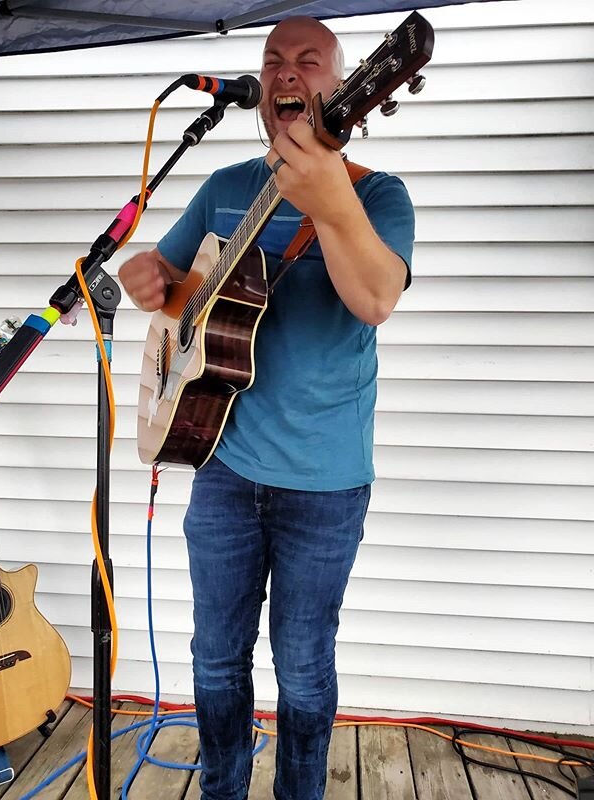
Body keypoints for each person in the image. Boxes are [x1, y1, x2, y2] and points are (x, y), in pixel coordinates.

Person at [119, 15, 414, 800]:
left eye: (308, 61)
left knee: (304, 664)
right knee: (214, 658)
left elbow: (376, 297)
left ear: (346, 85)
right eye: (273, 60)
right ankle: (221, 789)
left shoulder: (379, 196)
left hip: (325, 484)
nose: (287, 74)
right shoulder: (223, 189)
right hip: (221, 466)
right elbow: (170, 282)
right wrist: (147, 278)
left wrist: (325, 200)